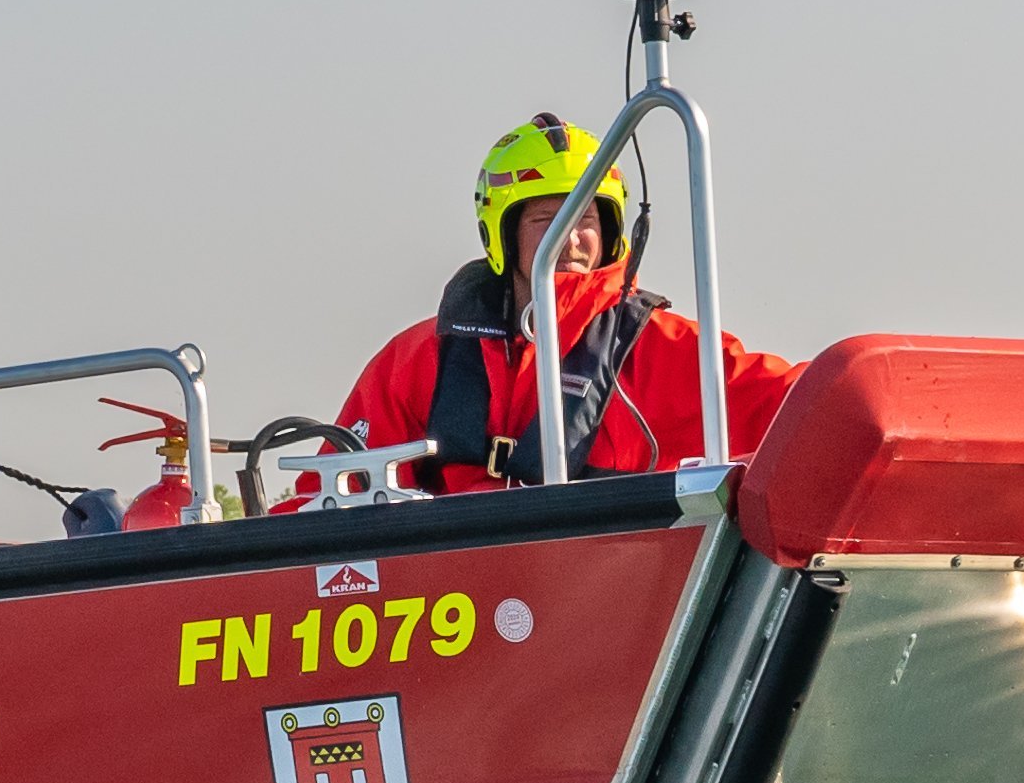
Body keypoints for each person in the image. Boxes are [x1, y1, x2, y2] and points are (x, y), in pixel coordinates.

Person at [330, 112, 799, 495]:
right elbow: (331, 500)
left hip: (615, 595)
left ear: (612, 232)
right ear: (503, 235)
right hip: (456, 603)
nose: (570, 239)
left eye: (586, 217)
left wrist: (866, 383)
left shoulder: (662, 352)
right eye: (546, 219)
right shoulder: (417, 360)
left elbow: (806, 404)